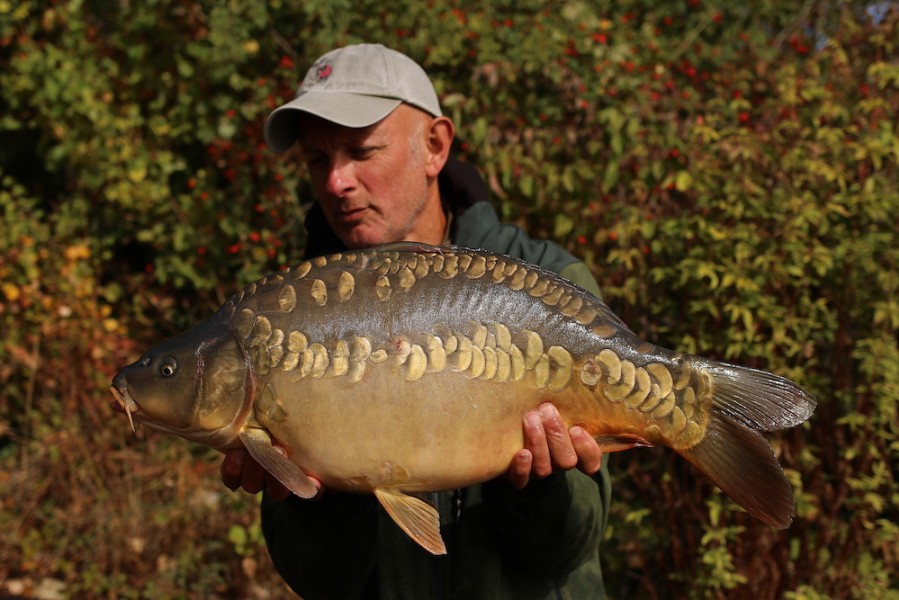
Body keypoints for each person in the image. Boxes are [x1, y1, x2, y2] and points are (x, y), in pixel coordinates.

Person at [220, 43, 612, 599]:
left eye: (361, 150)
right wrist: (317, 490)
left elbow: (572, 548)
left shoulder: (552, 282)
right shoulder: (285, 324)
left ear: (434, 147)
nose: (336, 182)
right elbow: (318, 582)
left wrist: (535, 485)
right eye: (317, 160)